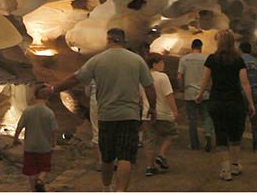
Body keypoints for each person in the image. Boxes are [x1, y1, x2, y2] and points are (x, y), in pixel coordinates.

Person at [40, 28, 157, 192]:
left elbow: (75, 79)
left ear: (108, 40)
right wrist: (152, 107)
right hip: (129, 115)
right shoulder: (136, 60)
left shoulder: (97, 60)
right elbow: (149, 87)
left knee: (107, 158)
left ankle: (107, 187)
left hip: (106, 115)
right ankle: (121, 190)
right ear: (123, 40)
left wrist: (53, 90)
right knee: (126, 157)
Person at [196, 29, 255, 181]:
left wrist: (200, 94)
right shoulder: (239, 60)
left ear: (219, 42)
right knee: (236, 134)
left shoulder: (211, 59)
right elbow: (244, 83)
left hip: (217, 101)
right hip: (235, 102)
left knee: (221, 133)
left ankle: (225, 169)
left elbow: (205, 79)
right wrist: (251, 103)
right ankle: (235, 165)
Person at [13, 84, 58, 192]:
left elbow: (20, 126)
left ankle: (34, 189)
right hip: (44, 147)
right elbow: (53, 129)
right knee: (44, 168)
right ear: (47, 97)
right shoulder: (49, 113)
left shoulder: (28, 111)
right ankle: (40, 179)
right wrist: (54, 142)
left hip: (30, 147)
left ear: (34, 96)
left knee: (31, 171)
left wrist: (15, 138)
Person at [143, 53, 179, 177]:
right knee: (171, 133)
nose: (163, 64)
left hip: (147, 114)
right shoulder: (162, 77)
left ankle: (150, 167)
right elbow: (169, 95)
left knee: (149, 140)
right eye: (161, 62)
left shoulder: (143, 77)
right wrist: (175, 111)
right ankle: (161, 154)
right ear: (154, 64)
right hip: (163, 113)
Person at [177, 39, 214, 151]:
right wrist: (209, 87)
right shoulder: (207, 58)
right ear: (201, 47)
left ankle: (194, 144)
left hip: (190, 92)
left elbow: (179, 77)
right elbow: (211, 76)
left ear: (191, 47)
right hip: (204, 92)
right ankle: (208, 134)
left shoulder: (184, 59)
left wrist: (181, 88)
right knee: (206, 116)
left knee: (192, 119)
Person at [239, 41, 257, 152]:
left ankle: (237, 144)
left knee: (240, 119)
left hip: (241, 92)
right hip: (255, 90)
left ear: (240, 50)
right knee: (255, 120)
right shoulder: (256, 61)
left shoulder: (239, 61)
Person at [85, 80, 102, 170]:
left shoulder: (93, 69)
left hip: (96, 101)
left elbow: (87, 91)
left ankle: (101, 161)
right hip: (114, 102)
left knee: (97, 131)